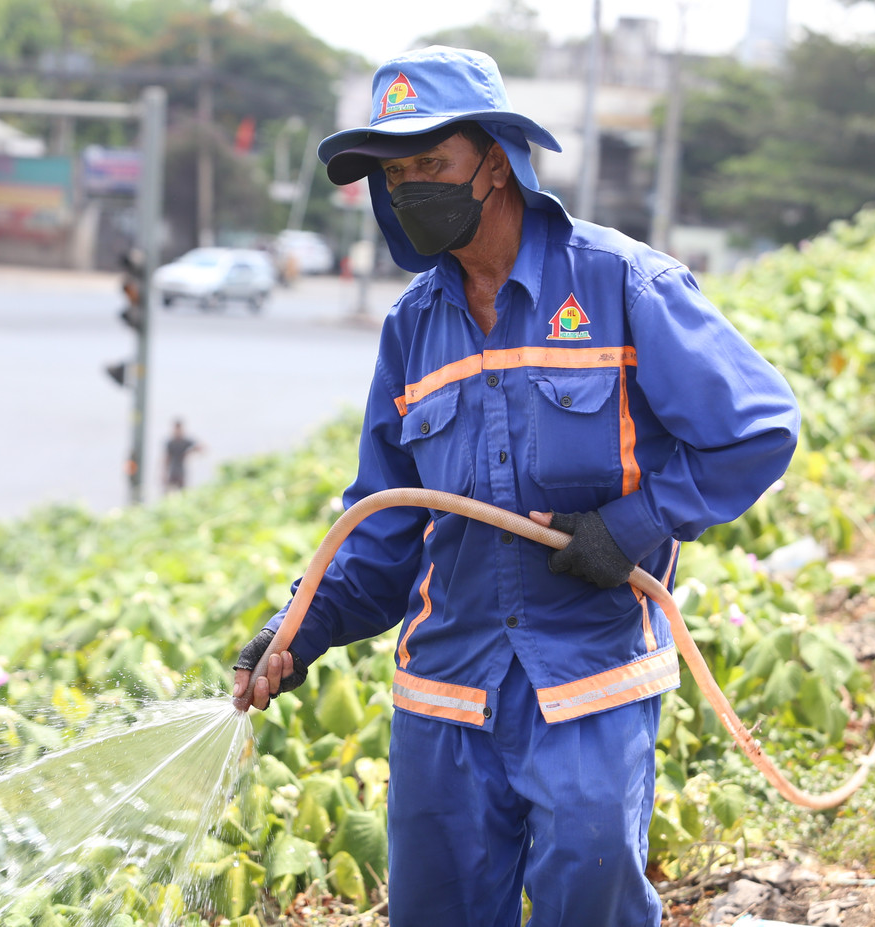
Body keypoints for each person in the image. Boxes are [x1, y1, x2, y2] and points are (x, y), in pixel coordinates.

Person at [230, 46, 800, 927]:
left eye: (431, 164)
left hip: (589, 682)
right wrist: (299, 629)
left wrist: (635, 524)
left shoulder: (620, 285)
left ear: (495, 164)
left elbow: (756, 427)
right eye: (395, 171)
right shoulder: (412, 330)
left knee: (589, 897)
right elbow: (382, 533)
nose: (409, 185)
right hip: (446, 697)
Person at [163, 419, 203, 493]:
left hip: (181, 472)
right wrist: (164, 473)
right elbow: (167, 458)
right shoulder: (171, 442)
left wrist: (189, 452)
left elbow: (200, 448)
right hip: (172, 471)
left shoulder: (185, 441)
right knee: (167, 491)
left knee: (182, 491)